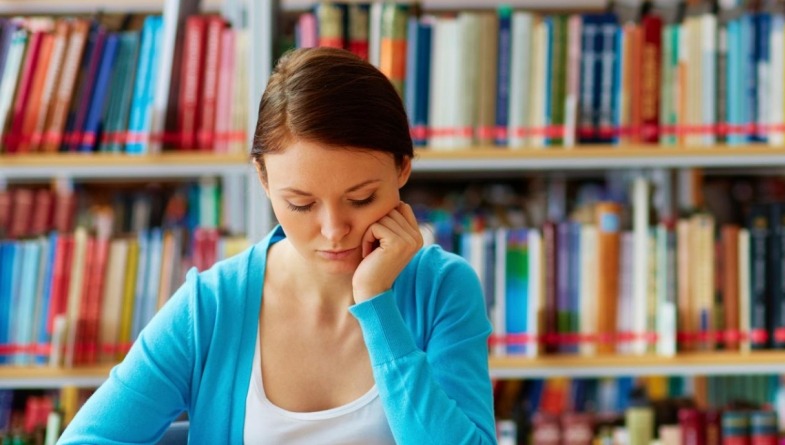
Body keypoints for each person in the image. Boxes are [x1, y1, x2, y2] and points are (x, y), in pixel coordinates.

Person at [60, 47, 496, 444]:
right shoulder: (210, 307)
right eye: (301, 204)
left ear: (403, 168)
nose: (333, 230)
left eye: (361, 199)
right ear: (264, 180)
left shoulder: (443, 289)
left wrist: (378, 306)